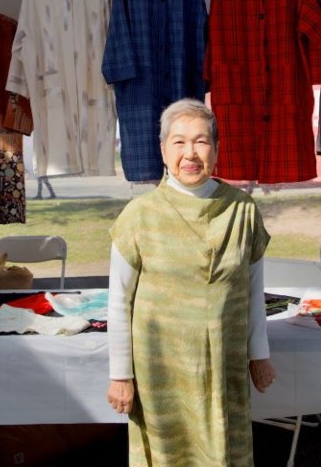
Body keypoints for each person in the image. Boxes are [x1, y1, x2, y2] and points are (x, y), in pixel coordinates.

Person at [106, 98, 276, 466]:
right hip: (161, 371)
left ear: (216, 149)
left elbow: (252, 291)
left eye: (201, 141)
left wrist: (259, 355)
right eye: (179, 142)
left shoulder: (242, 210)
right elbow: (119, 301)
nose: (190, 153)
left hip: (223, 367)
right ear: (163, 150)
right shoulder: (139, 215)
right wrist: (120, 375)